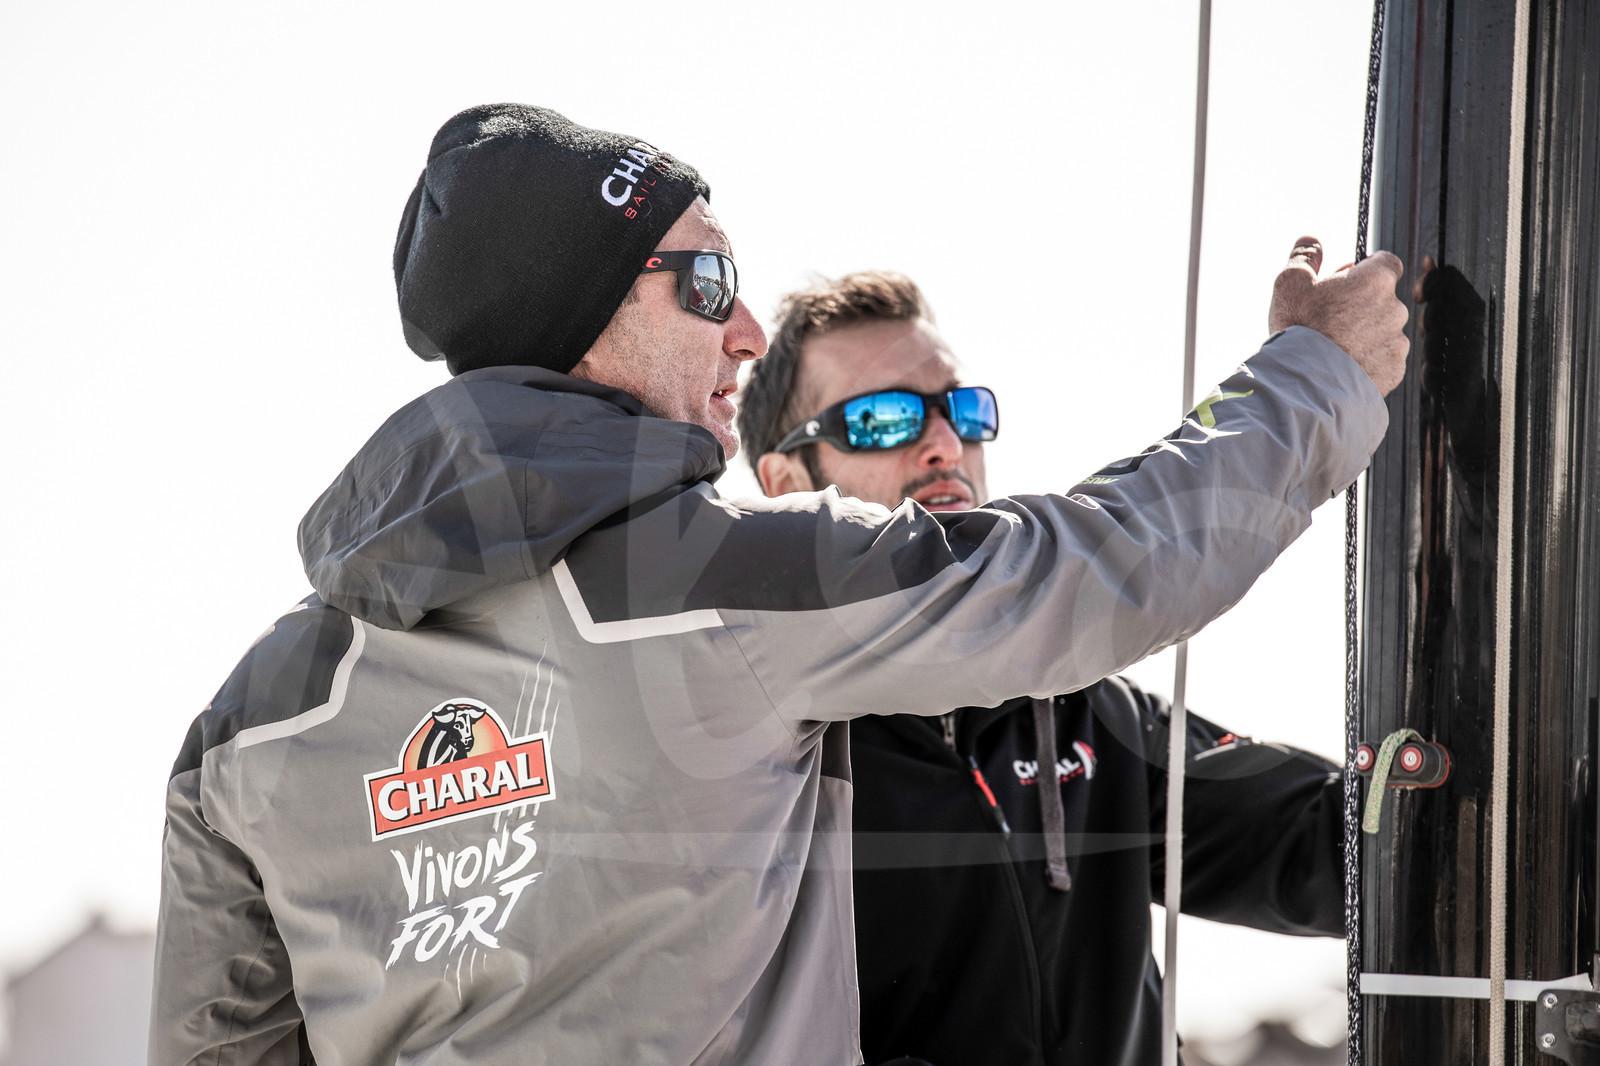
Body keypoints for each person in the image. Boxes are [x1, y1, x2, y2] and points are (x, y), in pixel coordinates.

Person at [151, 102, 1407, 1066]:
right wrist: (1313, 374)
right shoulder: (727, 586)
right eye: (706, 280)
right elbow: (1105, 561)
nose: (742, 329)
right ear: (579, 316)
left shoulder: (249, 722)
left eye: (961, 409)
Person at [740, 270, 1359, 1064]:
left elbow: (1326, 847)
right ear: (786, 487)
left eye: (962, 411)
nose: (945, 445)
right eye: (881, 418)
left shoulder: (1081, 708)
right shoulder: (758, 757)